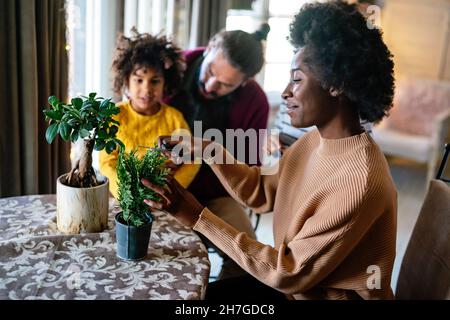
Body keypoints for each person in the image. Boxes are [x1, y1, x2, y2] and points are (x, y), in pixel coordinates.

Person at [143, 0, 397, 300]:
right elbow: (262, 192)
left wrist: (196, 215)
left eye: (297, 79)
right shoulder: (314, 141)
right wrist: (208, 149)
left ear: (336, 84)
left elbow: (286, 272)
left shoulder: (359, 181)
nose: (287, 92)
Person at [164, 25, 271, 279]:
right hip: (165, 183)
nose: (210, 86)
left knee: (248, 262)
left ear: (245, 82)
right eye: (210, 71)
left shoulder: (256, 103)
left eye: (225, 84)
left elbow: (248, 171)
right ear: (209, 47)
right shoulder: (173, 67)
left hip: (215, 198)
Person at [99, 29, 199, 200]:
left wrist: (168, 191)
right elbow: (107, 162)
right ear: (126, 82)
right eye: (138, 80)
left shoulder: (174, 119)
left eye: (155, 81)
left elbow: (192, 161)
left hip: (164, 199)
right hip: (123, 198)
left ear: (165, 83)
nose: (146, 89)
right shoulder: (115, 115)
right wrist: (126, 192)